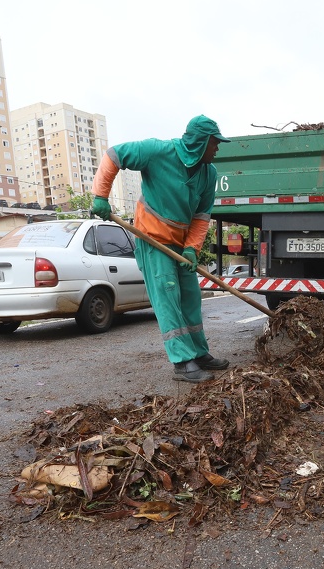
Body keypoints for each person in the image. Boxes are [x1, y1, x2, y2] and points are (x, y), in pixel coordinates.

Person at [91, 115, 230, 383]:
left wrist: (192, 249)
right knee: (168, 296)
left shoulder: (208, 173)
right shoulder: (158, 151)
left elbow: (201, 217)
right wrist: (100, 196)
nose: (217, 149)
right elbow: (114, 155)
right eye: (215, 143)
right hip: (153, 239)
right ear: (200, 143)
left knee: (190, 297)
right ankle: (182, 361)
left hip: (180, 244)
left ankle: (199, 353)